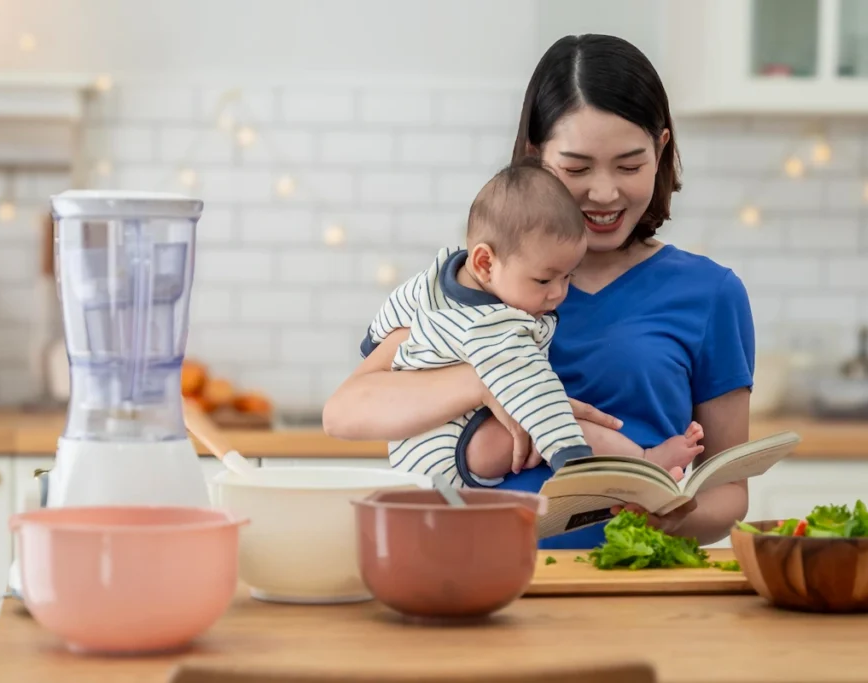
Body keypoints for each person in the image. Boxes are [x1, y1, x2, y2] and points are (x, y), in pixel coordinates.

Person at [323, 34, 754, 550]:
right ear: (534, 154)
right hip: (474, 570)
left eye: (629, 165)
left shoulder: (710, 294)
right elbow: (345, 411)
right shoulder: (475, 285)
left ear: (661, 150)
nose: (604, 192)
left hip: (630, 580)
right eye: (576, 168)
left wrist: (669, 518)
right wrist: (488, 381)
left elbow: (729, 489)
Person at [361, 158, 704, 488]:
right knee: (563, 418)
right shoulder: (497, 327)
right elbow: (535, 390)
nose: (558, 293)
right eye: (543, 280)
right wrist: (569, 455)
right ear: (485, 263)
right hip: (458, 449)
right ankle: (644, 462)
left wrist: (374, 340)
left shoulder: (437, 278)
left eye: (568, 276)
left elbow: (397, 306)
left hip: (411, 445)